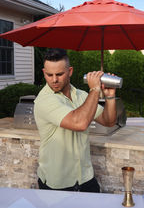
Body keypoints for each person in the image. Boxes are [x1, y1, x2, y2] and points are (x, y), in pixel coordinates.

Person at [34, 48, 117, 192]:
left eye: (59, 74)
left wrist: (110, 96)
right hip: (57, 183)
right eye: (49, 74)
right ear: (44, 73)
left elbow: (108, 121)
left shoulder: (81, 95)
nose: (54, 80)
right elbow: (79, 123)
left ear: (70, 71)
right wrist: (95, 90)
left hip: (85, 177)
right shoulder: (44, 100)